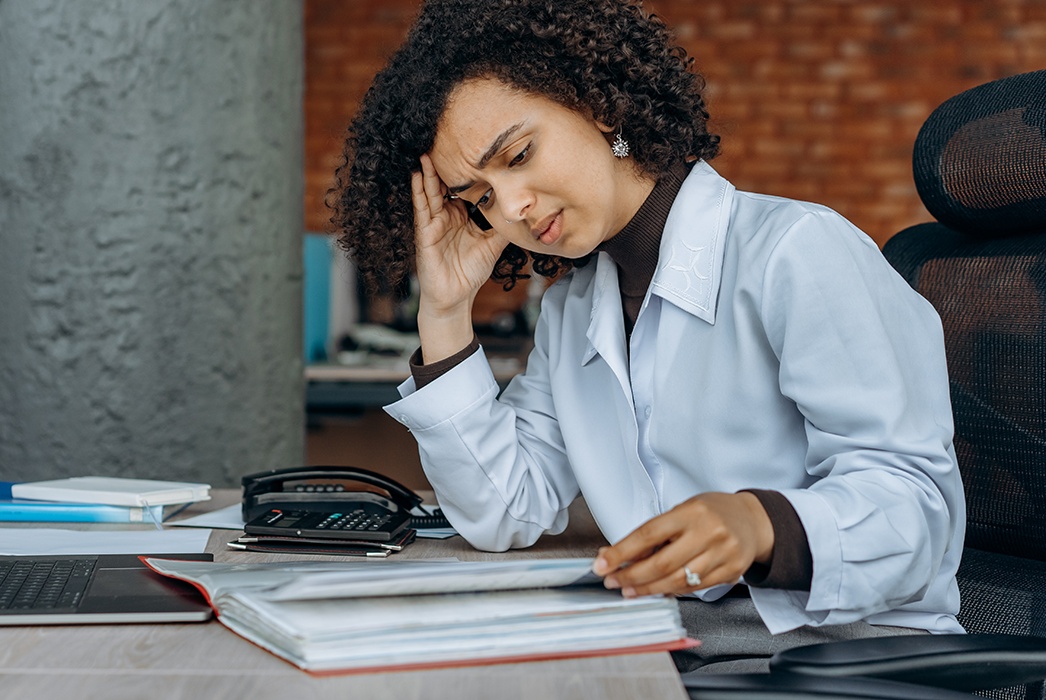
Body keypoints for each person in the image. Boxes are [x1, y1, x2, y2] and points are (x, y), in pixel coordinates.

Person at [330, 0, 965, 673]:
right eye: (479, 198)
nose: (511, 207)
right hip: (680, 648)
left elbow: (919, 511)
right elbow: (502, 509)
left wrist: (760, 524)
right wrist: (446, 310)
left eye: (518, 155)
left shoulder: (796, 253)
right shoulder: (575, 308)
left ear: (600, 105)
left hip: (847, 658)